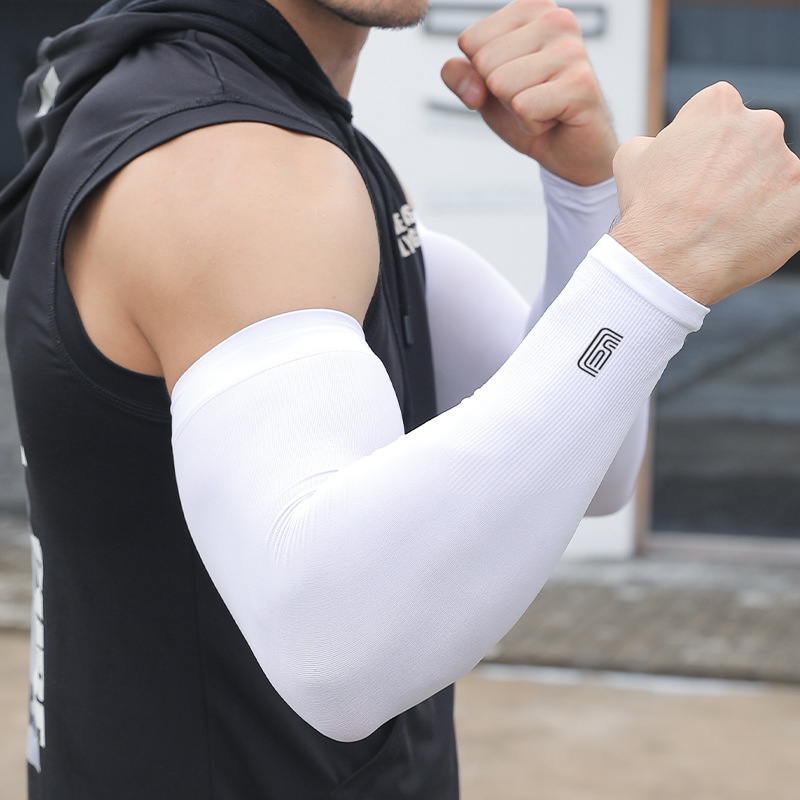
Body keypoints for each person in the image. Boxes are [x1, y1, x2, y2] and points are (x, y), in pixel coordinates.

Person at [2, 0, 799, 797]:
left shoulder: (250, 126)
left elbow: (593, 470)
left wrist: (586, 193)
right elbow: (333, 649)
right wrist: (658, 268)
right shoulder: (233, 165)